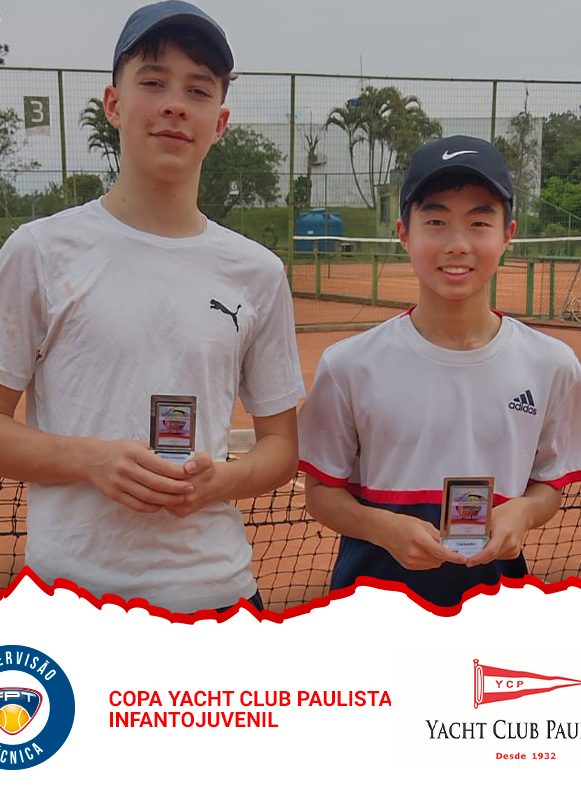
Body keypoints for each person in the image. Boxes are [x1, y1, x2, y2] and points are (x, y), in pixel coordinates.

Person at [0, 1, 304, 613]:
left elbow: (280, 448)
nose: (175, 105)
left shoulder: (258, 272)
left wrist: (220, 480)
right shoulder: (38, 252)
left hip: (220, 597)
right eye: (154, 82)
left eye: (198, 90)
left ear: (218, 123)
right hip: (72, 600)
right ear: (114, 105)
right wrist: (94, 461)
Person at [298, 135, 581, 607]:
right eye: (436, 221)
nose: (457, 244)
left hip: (497, 606)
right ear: (404, 233)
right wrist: (383, 527)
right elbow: (321, 493)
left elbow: (548, 483)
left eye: (479, 222)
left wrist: (524, 514)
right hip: (371, 608)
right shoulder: (349, 364)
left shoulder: (552, 365)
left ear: (507, 234)